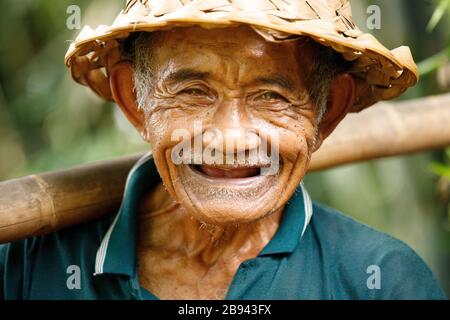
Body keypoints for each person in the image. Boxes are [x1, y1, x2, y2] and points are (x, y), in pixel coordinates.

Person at [0, 0, 446, 300]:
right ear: (136, 104)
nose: (230, 138)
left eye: (271, 97)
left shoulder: (381, 281)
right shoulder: (27, 265)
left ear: (327, 112)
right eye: (193, 92)